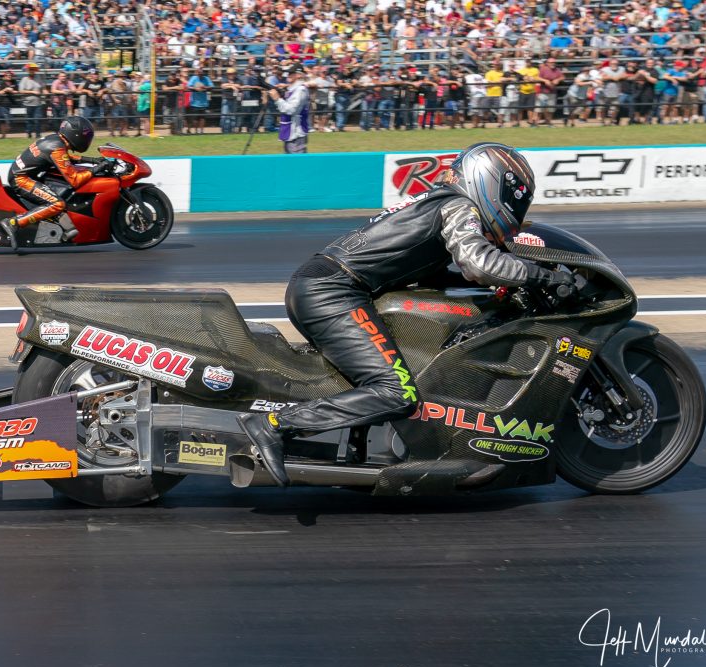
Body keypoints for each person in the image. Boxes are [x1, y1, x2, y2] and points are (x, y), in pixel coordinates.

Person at [237, 143, 575, 487]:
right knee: (397, 391)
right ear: (491, 182)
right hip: (333, 290)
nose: (517, 208)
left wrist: (494, 289)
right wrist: (545, 276)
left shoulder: (438, 201)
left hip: (325, 285)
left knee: (387, 374)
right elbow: (479, 263)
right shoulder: (459, 206)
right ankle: (273, 426)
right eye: (515, 198)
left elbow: (434, 271)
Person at [2, 116, 106, 251]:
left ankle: (66, 228)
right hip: (21, 179)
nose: (87, 139)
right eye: (85, 135)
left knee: (61, 192)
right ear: (76, 134)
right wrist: (97, 169)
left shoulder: (55, 140)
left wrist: (92, 160)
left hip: (27, 175)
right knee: (57, 204)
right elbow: (75, 180)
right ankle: (13, 223)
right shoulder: (57, 147)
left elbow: (66, 158)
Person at [267, 67, 310, 154]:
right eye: (288, 73)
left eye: (291, 73)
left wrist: (277, 99)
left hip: (296, 133)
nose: (288, 75)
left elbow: (291, 110)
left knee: (296, 162)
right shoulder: (293, 89)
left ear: (298, 75)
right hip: (290, 130)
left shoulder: (300, 90)